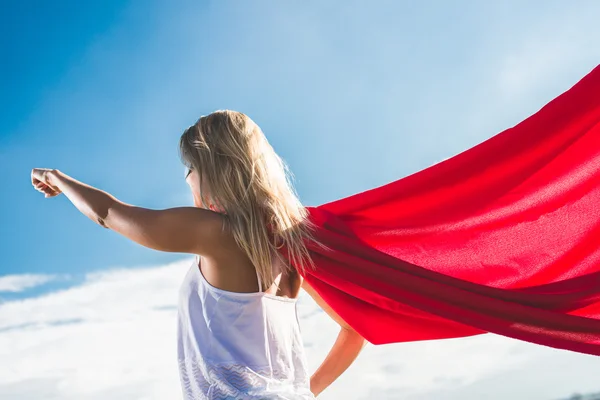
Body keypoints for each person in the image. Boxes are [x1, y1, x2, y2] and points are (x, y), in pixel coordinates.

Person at [30, 110, 367, 399]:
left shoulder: (215, 231)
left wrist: (55, 178)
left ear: (213, 169)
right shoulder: (292, 244)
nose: (188, 179)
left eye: (190, 169)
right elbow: (355, 328)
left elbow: (107, 213)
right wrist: (302, 392)